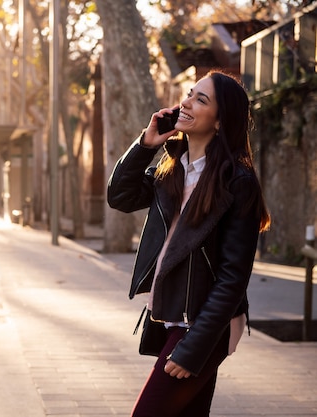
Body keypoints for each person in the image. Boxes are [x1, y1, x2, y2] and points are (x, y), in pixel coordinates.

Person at [107, 70, 270, 417]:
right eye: (189, 93)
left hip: (202, 327)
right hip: (172, 318)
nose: (186, 102)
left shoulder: (237, 183)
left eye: (201, 99)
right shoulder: (171, 170)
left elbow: (232, 278)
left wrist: (193, 347)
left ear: (221, 122)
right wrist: (145, 145)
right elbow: (119, 196)